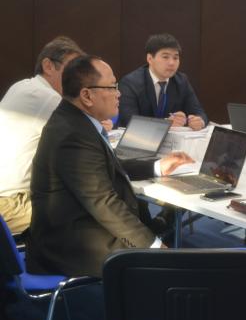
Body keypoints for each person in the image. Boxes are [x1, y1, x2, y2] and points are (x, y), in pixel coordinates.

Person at [25, 55, 193, 278]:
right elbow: (104, 203)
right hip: (70, 243)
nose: (119, 93)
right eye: (113, 86)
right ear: (87, 95)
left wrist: (158, 166)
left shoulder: (76, 121)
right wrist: (153, 247)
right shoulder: (72, 135)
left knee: (156, 234)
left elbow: (107, 166)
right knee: (165, 264)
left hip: (81, 225)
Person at [0, 37, 84, 234]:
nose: (77, 78)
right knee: (85, 216)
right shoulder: (47, 97)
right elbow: (84, 138)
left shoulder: (21, 86)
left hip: (9, 197)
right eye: (72, 69)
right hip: (11, 204)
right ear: (48, 66)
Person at [118, 33, 208, 130]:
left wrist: (199, 121)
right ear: (150, 59)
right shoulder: (130, 83)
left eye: (175, 58)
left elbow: (199, 112)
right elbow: (130, 122)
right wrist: (165, 124)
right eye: (165, 57)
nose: (171, 63)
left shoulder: (181, 81)